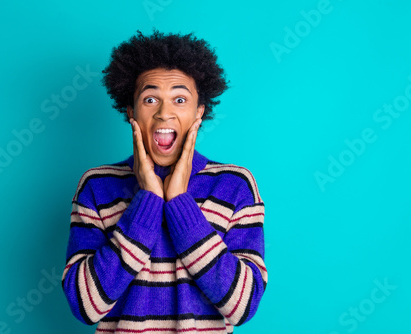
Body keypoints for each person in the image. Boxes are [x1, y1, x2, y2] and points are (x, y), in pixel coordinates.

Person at [61, 29, 268, 334]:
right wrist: (148, 201)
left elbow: (242, 306)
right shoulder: (97, 185)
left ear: (200, 112)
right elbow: (85, 305)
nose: (164, 113)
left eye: (180, 99)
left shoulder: (235, 185)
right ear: (131, 111)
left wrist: (180, 203)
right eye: (150, 99)